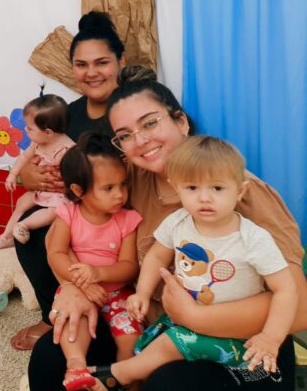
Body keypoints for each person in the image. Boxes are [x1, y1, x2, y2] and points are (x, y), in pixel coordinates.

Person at [28, 67, 307, 391]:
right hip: (154, 331)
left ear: (181, 121)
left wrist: (194, 317)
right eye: (125, 135)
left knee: (169, 384)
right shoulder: (127, 180)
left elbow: (300, 308)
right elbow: (64, 230)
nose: (140, 141)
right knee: (49, 357)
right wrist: (74, 286)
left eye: (150, 123)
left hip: (243, 347)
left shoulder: (239, 191)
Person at [86, 136, 297, 389]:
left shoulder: (253, 239)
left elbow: (286, 289)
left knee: (170, 344)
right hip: (186, 324)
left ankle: (117, 375)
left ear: (240, 191)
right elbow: (156, 255)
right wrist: (142, 292)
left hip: (239, 338)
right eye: (192, 188)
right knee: (147, 344)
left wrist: (271, 337)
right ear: (177, 188)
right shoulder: (179, 222)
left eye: (217, 188)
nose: (204, 198)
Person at [12, 10, 125, 351]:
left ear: (120, 62)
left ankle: (98, 309)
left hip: (116, 210)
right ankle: (53, 312)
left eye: (102, 62)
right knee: (30, 228)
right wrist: (29, 177)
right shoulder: (68, 113)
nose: (91, 72)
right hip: (72, 208)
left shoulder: (132, 107)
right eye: (81, 64)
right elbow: (36, 155)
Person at [45, 133, 142, 390]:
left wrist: (98, 273)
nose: (120, 194)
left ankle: (126, 380)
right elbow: (56, 253)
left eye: (123, 184)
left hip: (117, 293)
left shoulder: (127, 219)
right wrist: (80, 283)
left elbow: (130, 266)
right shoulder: (69, 214)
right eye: (108, 188)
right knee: (72, 321)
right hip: (78, 289)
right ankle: (76, 365)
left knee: (131, 338)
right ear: (78, 190)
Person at [0, 94, 74, 250]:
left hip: (59, 194)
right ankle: (6, 236)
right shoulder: (38, 143)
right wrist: (13, 174)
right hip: (41, 189)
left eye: (29, 128)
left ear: (48, 132)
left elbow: (76, 175)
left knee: (55, 211)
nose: (25, 130)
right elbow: (24, 157)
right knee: (21, 203)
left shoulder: (67, 150)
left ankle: (24, 225)